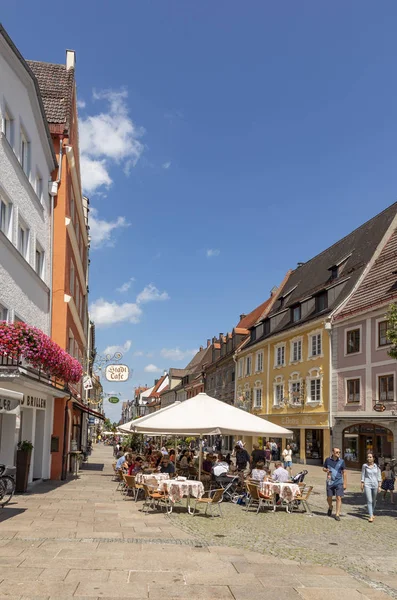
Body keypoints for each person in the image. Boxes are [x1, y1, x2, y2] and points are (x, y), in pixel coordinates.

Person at [323, 447, 347, 521]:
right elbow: (323, 468)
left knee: (338, 497)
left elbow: (344, 473)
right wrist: (326, 470)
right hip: (330, 481)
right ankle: (330, 506)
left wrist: (345, 483)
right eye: (337, 452)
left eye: (339, 452)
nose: (338, 454)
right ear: (333, 453)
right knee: (329, 497)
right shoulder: (327, 460)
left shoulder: (342, 462)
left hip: (339, 482)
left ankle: (337, 514)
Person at [361, 452, 382, 523]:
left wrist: (379, 486)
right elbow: (363, 475)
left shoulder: (377, 466)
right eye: (368, 457)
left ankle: (372, 512)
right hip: (367, 484)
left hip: (375, 484)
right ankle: (370, 516)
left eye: (370, 457)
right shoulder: (364, 466)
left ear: (373, 458)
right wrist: (362, 483)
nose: (368, 458)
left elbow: (379, 476)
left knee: (374, 500)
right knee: (369, 500)